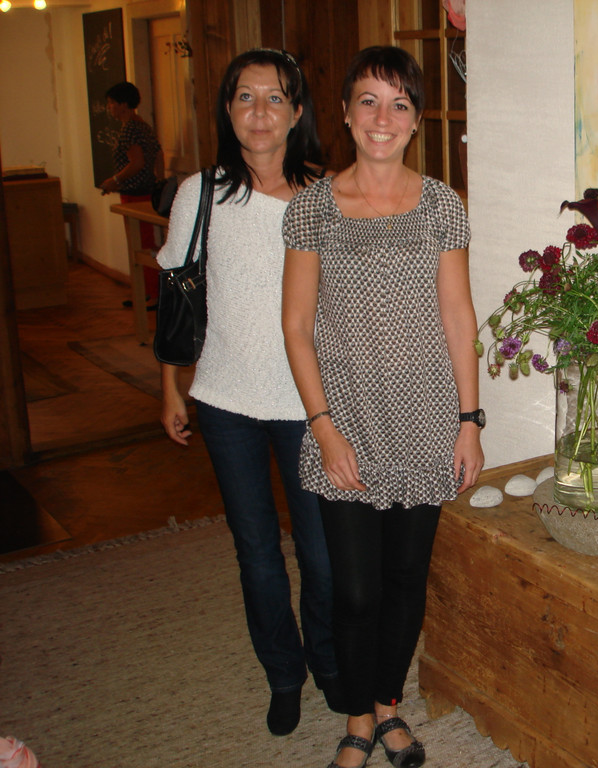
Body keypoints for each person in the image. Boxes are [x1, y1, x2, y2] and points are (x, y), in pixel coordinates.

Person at [281, 46, 484, 768]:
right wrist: (323, 428)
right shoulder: (312, 208)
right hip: (348, 422)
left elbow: (459, 318)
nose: (382, 117)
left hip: (427, 420)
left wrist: (469, 422)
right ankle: (356, 716)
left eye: (399, 104)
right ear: (344, 112)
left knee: (404, 579)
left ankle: (388, 709)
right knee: (356, 589)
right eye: (368, 100)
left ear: (416, 120)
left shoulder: (441, 205)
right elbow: (296, 327)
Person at [157, 48, 340, 737]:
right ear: (227, 110)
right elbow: (175, 296)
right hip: (225, 399)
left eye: (274, 98)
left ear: (297, 113)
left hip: (308, 405)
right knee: (257, 552)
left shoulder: (329, 195)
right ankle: (284, 675)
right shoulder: (200, 195)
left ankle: (328, 661)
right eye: (244, 97)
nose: (259, 112)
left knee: (322, 553)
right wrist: (170, 387)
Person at [100, 81, 164, 303]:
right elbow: (158, 155)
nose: (109, 108)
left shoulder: (130, 129)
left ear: (123, 104)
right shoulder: (143, 125)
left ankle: (153, 294)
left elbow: (136, 163)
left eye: (111, 103)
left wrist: (114, 180)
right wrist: (158, 181)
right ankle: (147, 291)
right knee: (146, 243)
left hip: (135, 194)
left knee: (142, 245)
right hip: (146, 191)